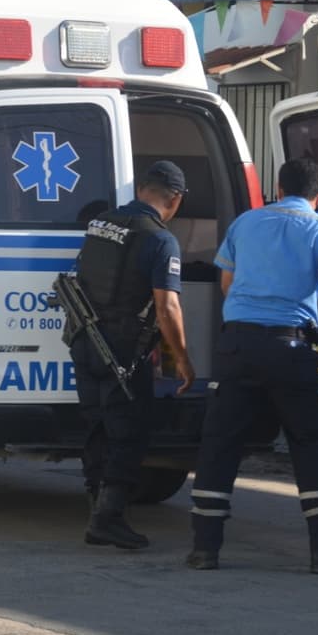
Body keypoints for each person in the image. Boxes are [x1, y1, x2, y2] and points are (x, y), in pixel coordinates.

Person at [187, 158, 318, 574]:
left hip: (237, 344)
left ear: (276, 186)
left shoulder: (245, 223)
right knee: (310, 442)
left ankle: (205, 548)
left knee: (220, 443)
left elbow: (228, 283)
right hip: (289, 347)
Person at [70, 160, 196, 550]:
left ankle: (99, 509)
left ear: (141, 189)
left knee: (97, 428)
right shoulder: (161, 240)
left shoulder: (101, 223)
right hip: (122, 348)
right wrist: (185, 362)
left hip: (84, 340)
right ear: (174, 200)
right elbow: (167, 309)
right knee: (128, 434)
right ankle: (107, 519)